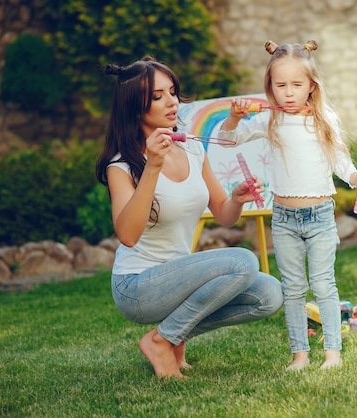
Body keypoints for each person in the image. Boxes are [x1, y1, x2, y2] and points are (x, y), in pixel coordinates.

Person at [95, 56, 283, 379]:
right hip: (137, 286)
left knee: (269, 294)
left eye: (173, 91)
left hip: (178, 281)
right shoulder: (122, 165)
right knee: (244, 262)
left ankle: (171, 335)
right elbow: (127, 234)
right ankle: (161, 341)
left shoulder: (193, 149)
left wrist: (237, 199)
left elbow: (224, 215)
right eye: (158, 96)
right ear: (135, 109)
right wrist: (152, 166)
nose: (172, 102)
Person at [218, 40, 357, 370]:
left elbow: (340, 161)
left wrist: (355, 178)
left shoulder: (323, 119)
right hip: (285, 218)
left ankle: (333, 353)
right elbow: (226, 140)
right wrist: (233, 118)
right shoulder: (268, 121)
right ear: (270, 87)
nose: (288, 93)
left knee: (323, 285)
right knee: (292, 289)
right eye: (280, 85)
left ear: (311, 86)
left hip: (319, 216)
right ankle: (300, 355)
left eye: (296, 85)